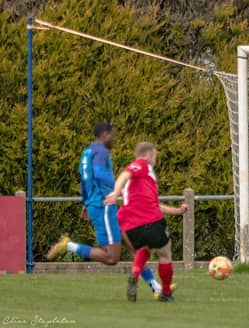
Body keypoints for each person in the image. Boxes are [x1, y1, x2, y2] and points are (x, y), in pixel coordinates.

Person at [46, 123, 164, 296]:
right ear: (104, 135)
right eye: (112, 135)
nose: (114, 139)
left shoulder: (88, 152)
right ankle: (68, 246)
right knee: (111, 258)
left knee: (133, 245)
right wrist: (120, 189)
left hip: (99, 204)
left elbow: (85, 179)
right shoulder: (101, 151)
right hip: (104, 207)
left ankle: (155, 286)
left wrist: (85, 202)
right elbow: (99, 174)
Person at [105, 141, 185, 303]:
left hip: (131, 226)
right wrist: (114, 193)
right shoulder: (142, 165)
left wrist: (177, 211)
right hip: (150, 220)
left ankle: (134, 274)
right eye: (155, 155)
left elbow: (155, 204)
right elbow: (125, 174)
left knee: (146, 248)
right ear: (149, 155)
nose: (155, 159)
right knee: (165, 253)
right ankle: (166, 293)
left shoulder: (140, 184)